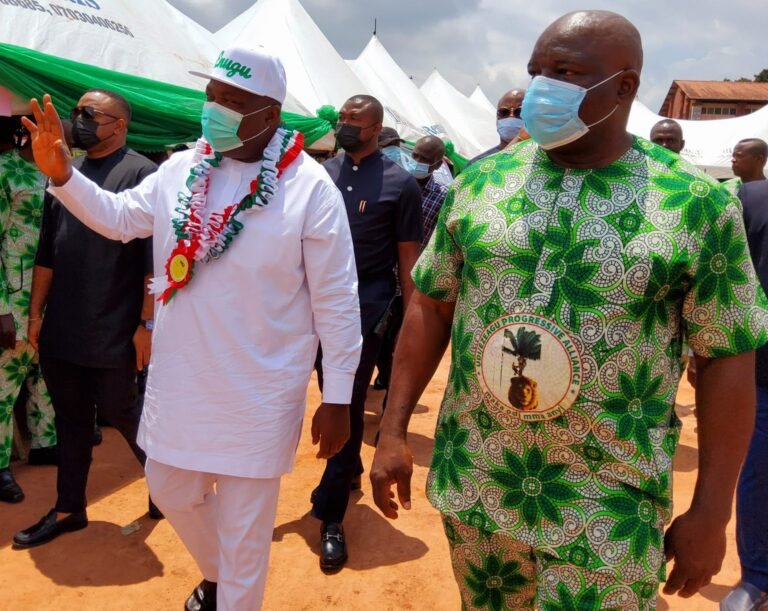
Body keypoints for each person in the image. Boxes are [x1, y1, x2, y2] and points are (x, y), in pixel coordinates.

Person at [371, 10, 768, 610]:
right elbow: (431, 304)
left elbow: (727, 356)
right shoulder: (480, 185)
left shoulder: (695, 205)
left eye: (563, 72)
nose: (539, 89)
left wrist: (711, 513)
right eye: (535, 72)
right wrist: (394, 430)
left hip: (606, 502)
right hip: (479, 487)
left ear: (625, 86)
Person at [17, 45, 361, 610]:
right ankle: (220, 575)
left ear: (268, 115)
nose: (214, 109)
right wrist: (63, 178)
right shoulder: (181, 169)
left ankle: (234, 591)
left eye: (232, 100)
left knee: (247, 533)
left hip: (261, 389)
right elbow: (122, 219)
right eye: (212, 96)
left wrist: (340, 396)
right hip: (182, 381)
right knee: (170, 488)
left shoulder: (310, 188)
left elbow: (336, 299)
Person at [12, 89, 159, 547]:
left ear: (119, 125)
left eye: (89, 114)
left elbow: (156, 263)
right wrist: (36, 314)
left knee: (125, 412)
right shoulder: (65, 174)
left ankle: (168, 489)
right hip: (65, 326)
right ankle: (68, 508)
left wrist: (145, 325)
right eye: (77, 112)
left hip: (116, 327)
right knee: (71, 420)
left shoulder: (142, 173)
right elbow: (46, 253)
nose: (79, 119)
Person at [312, 94, 422, 571]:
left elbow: (407, 257)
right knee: (325, 395)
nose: (344, 125)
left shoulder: (401, 184)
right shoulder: (320, 175)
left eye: (354, 119)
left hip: (364, 310)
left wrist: (412, 317)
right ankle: (349, 466)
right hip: (309, 308)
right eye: (341, 118)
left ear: (376, 127)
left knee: (346, 402)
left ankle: (332, 514)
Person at [0, 116, 58, 504]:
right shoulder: (6, 171)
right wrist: (1, 307)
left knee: (44, 373)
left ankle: (45, 444)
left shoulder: (61, 175)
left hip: (52, 295)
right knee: (5, 384)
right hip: (15, 297)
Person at [721, 176, 768, 611]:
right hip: (765, 372)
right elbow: (733, 291)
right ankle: (757, 577)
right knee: (758, 475)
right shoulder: (752, 201)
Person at [376, 136, 450, 396]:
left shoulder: (442, 198)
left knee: (397, 339)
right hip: (382, 275)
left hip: (411, 282)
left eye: (424, 159)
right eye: (415, 154)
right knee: (377, 339)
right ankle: (382, 374)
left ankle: (389, 387)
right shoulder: (392, 184)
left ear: (437, 163)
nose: (416, 161)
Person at [466, 89, 525, 167]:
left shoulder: (542, 159)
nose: (511, 116)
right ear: (497, 116)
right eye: (504, 112)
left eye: (519, 112)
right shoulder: (476, 165)